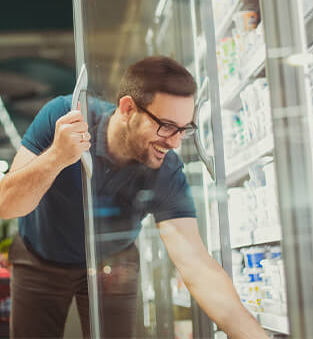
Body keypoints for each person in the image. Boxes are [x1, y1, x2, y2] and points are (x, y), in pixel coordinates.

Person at [0, 56, 269, 339]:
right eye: (166, 125)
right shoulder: (65, 116)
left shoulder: (167, 170)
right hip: (40, 256)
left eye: (184, 129)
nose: (175, 142)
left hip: (112, 263)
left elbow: (197, 267)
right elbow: (7, 205)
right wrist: (57, 156)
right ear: (128, 108)